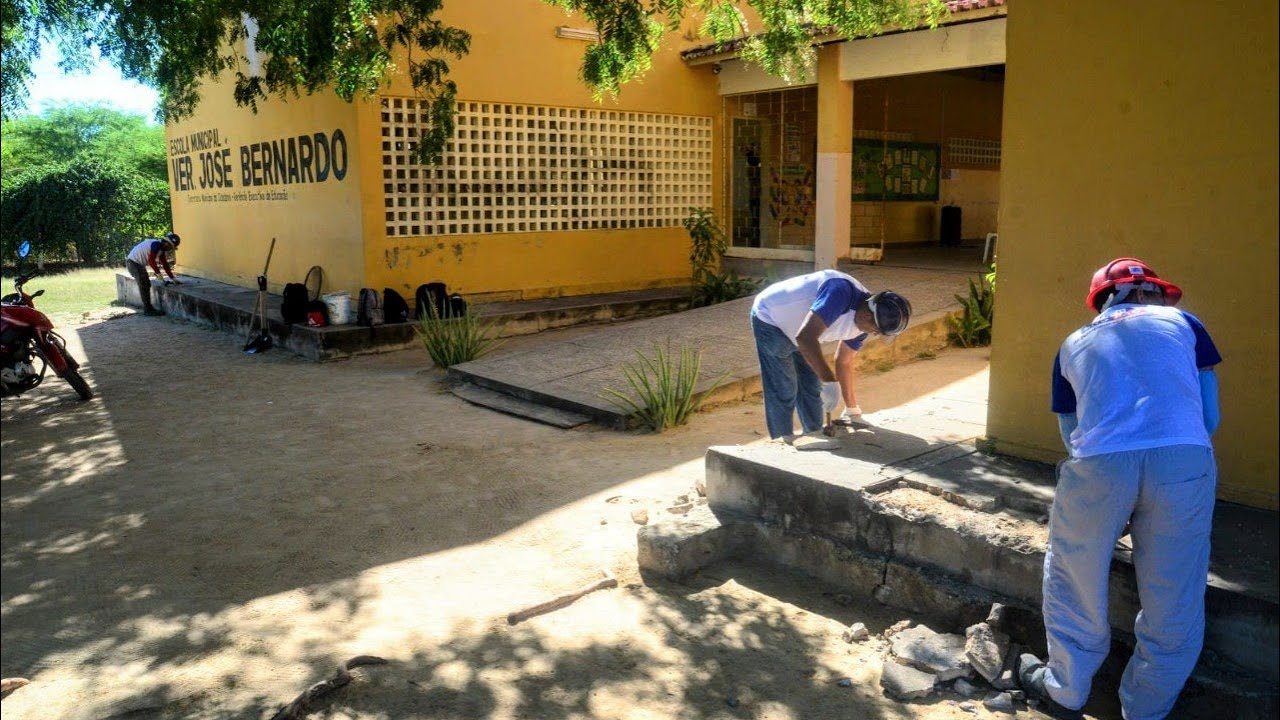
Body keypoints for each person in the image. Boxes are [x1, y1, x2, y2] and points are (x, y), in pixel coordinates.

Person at [1019, 257, 1222, 720]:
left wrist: (1119, 488)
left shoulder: (1072, 343)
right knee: (1175, 592)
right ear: (1155, 291)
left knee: (1074, 573)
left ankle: (1066, 689)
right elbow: (1209, 419)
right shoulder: (1186, 324)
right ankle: (1145, 708)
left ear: (1100, 301)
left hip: (1099, 464)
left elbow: (1071, 437)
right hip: (1182, 459)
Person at [749, 269, 912, 438]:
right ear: (867, 315)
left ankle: (815, 433)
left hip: (803, 330)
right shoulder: (839, 293)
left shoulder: (864, 328)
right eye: (876, 330)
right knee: (783, 389)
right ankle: (782, 443)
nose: (875, 334)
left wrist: (852, 409)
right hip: (771, 317)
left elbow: (844, 361)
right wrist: (828, 379)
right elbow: (805, 339)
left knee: (812, 386)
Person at [126, 232, 181, 316]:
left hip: (137, 263)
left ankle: (148, 308)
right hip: (133, 263)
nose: (169, 248)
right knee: (144, 284)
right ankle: (148, 309)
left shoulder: (161, 250)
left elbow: (165, 265)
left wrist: (173, 279)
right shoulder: (155, 245)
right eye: (169, 246)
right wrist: (159, 275)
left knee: (146, 284)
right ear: (165, 242)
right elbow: (151, 261)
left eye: (171, 247)